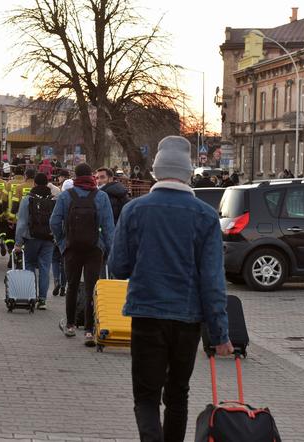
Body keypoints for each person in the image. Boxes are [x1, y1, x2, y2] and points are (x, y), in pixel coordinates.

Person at [108, 135, 232, 442]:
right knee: (178, 395)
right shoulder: (205, 216)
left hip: (147, 315)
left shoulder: (135, 211)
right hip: (187, 320)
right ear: (189, 172)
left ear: (156, 171)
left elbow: (118, 266)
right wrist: (219, 335)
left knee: (147, 397)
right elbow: (213, 281)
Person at [50, 163, 115, 346]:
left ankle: (70, 325)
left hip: (72, 248)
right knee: (91, 288)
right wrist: (106, 247)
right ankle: (88, 330)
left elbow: (54, 222)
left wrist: (63, 242)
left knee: (71, 286)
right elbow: (109, 227)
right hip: (94, 249)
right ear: (92, 176)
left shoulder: (65, 196)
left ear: (75, 177)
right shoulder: (101, 196)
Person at [15, 173, 56, 310]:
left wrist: (18, 243)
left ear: (34, 184)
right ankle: (43, 300)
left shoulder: (28, 199)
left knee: (30, 265)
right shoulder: (54, 199)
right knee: (45, 268)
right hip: (49, 239)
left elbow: (21, 223)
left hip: (31, 238)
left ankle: (31, 295)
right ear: (47, 183)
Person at [4, 166, 25, 265]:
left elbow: (4, 200)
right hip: (25, 217)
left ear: (14, 173)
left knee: (9, 237)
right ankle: (20, 257)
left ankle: (11, 254)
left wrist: (4, 213)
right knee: (22, 238)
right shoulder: (28, 185)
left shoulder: (9, 184)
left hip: (11, 215)